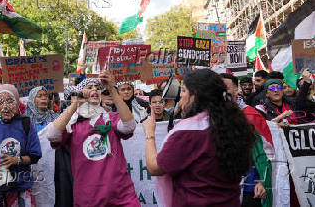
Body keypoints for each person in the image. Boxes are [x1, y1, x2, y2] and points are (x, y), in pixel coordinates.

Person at [142, 69, 255, 206]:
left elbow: (155, 168)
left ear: (194, 96)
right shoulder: (235, 123)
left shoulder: (189, 131)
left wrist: (149, 134)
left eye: (183, 91)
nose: (180, 96)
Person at [47, 74, 140, 206]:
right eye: (89, 87)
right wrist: (75, 104)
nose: (95, 89)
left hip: (121, 196)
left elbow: (129, 126)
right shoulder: (73, 123)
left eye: (97, 87)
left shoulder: (110, 117)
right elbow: (52, 135)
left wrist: (112, 90)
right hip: (88, 198)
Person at [220, 73, 271, 207]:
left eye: (225, 87)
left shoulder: (251, 115)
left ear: (236, 89)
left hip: (250, 187)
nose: (221, 91)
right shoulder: (207, 117)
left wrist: (262, 181)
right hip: (220, 188)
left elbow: (267, 152)